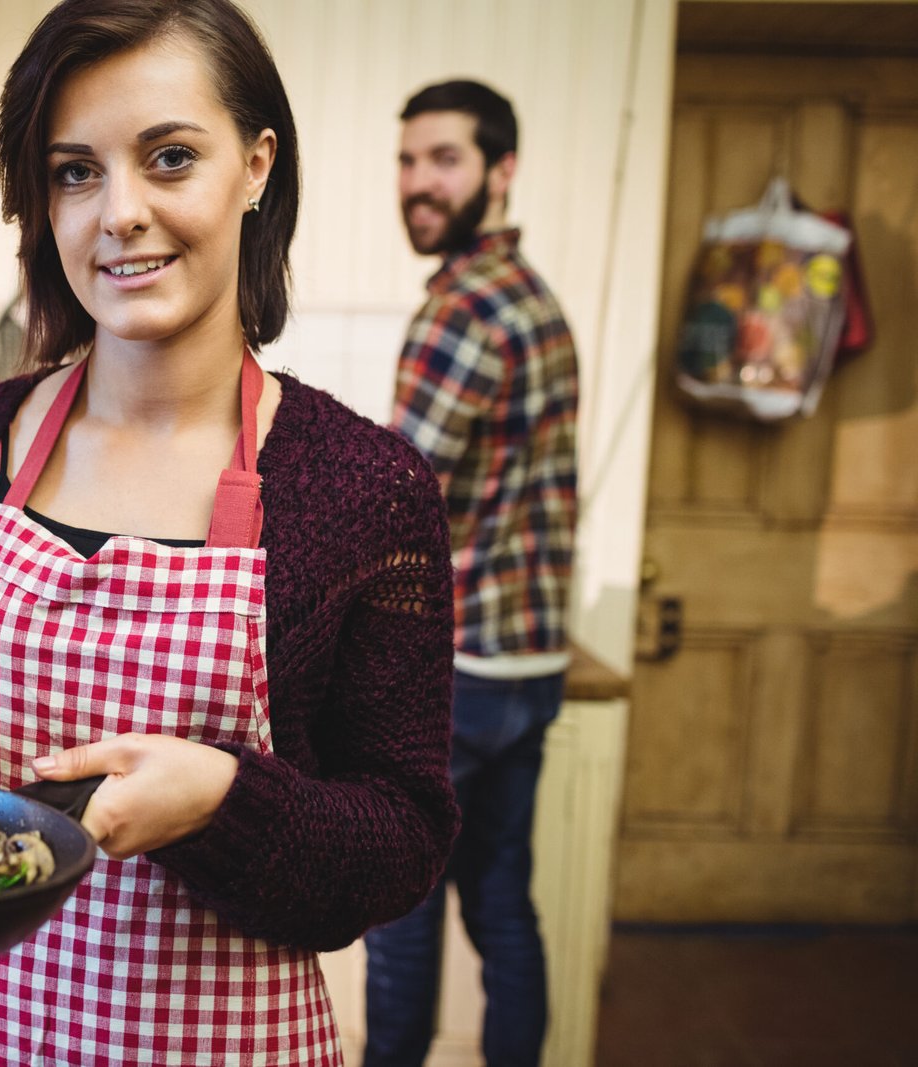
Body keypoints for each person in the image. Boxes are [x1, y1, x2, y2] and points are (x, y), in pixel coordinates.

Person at [0, 2, 458, 1063]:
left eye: (169, 158)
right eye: (75, 171)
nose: (119, 212)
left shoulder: (363, 490)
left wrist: (223, 801)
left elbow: (400, 842)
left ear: (256, 165)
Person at [362, 79, 579, 1067]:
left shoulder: (460, 312)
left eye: (443, 160)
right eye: (408, 161)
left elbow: (395, 504)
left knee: (400, 906)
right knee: (500, 901)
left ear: (501, 169)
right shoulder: (533, 299)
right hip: (530, 664)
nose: (418, 184)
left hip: (459, 673)